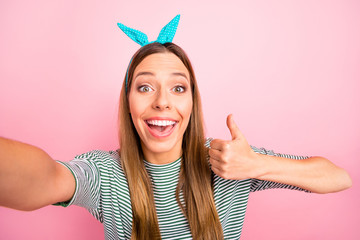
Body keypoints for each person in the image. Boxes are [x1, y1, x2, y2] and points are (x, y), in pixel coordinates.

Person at [0, 15, 352, 240]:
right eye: (145, 86)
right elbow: (45, 178)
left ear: (192, 101)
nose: (162, 102)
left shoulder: (231, 160)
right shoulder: (105, 174)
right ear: (128, 101)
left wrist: (256, 165)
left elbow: (338, 178)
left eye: (178, 87)